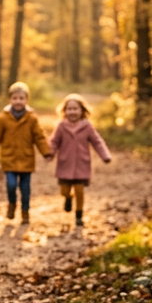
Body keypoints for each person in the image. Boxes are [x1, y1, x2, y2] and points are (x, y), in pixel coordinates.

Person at [0, 81, 52, 224]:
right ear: (10, 99)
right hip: (9, 158)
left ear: (27, 99)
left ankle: (25, 211)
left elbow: (39, 137)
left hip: (26, 159)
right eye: (15, 98)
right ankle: (12, 204)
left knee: (25, 188)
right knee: (11, 185)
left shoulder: (32, 118)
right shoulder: (3, 118)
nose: (18, 101)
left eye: (21, 98)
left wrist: (46, 152)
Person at [49, 94, 112, 227]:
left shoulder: (87, 126)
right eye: (69, 109)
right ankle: (68, 197)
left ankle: (79, 215)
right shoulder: (61, 126)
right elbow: (54, 142)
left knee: (80, 190)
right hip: (65, 164)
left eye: (75, 109)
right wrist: (49, 153)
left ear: (82, 111)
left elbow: (97, 142)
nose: (72, 112)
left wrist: (105, 155)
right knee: (64, 190)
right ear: (64, 111)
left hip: (81, 165)